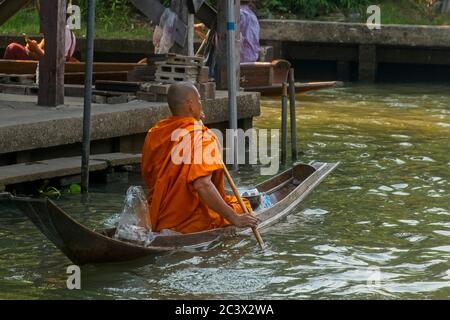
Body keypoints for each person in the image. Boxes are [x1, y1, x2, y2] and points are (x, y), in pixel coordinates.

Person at [141, 82, 259, 234]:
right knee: (244, 206)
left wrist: (195, 120)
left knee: (236, 201)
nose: (201, 104)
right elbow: (202, 185)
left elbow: (149, 175)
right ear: (190, 104)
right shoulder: (202, 136)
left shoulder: (156, 133)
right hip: (189, 221)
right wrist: (234, 218)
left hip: (156, 215)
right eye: (199, 100)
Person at [194, 0, 260, 63]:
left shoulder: (237, 13)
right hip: (251, 59)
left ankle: (200, 60)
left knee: (215, 34)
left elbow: (225, 36)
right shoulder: (252, 16)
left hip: (239, 62)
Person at [3, 24, 77, 62]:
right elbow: (41, 47)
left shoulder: (63, 33)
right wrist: (31, 45)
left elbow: (56, 60)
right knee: (12, 48)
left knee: (13, 48)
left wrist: (35, 49)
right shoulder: (54, 28)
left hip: (49, 68)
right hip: (39, 60)